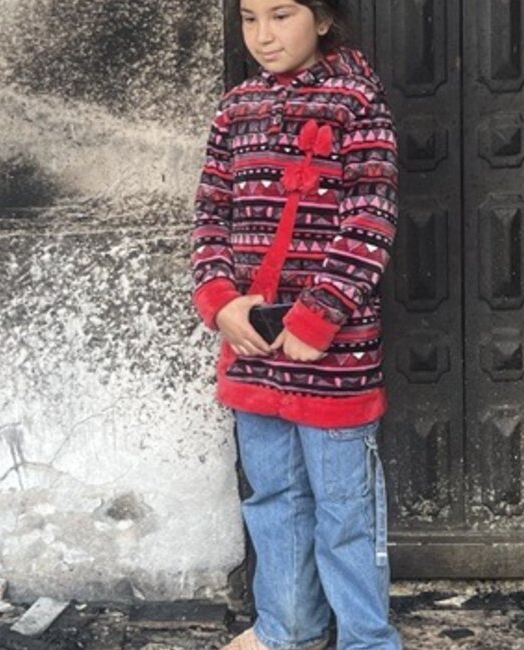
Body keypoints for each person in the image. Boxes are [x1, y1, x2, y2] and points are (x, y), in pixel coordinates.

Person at [189, 0, 400, 648]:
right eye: (250, 18)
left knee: (345, 513)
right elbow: (210, 217)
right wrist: (221, 301)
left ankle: (367, 639)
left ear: (325, 18)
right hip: (252, 349)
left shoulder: (357, 103)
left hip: (331, 357)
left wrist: (319, 314)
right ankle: (287, 628)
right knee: (273, 500)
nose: (263, 35)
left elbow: (370, 217)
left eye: (281, 15)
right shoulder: (235, 110)